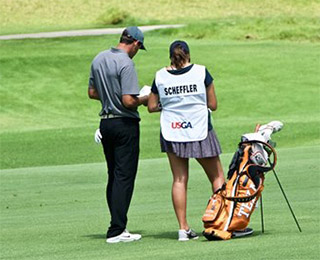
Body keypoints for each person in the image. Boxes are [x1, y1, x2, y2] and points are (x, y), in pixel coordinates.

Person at [148, 40, 225, 241]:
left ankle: (183, 229)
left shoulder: (160, 76)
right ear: (188, 55)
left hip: (172, 131)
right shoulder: (201, 72)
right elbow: (213, 104)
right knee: (217, 177)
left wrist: (168, 105)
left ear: (170, 56)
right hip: (200, 130)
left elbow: (151, 106)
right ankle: (222, 223)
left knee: (179, 179)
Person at [88, 26, 149, 244]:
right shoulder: (126, 63)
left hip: (105, 124)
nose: (136, 53)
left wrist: (109, 97)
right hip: (125, 124)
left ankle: (116, 224)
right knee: (124, 176)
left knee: (113, 175)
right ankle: (117, 230)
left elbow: (92, 92)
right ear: (135, 44)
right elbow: (129, 101)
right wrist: (145, 97)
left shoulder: (98, 58)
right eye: (138, 49)